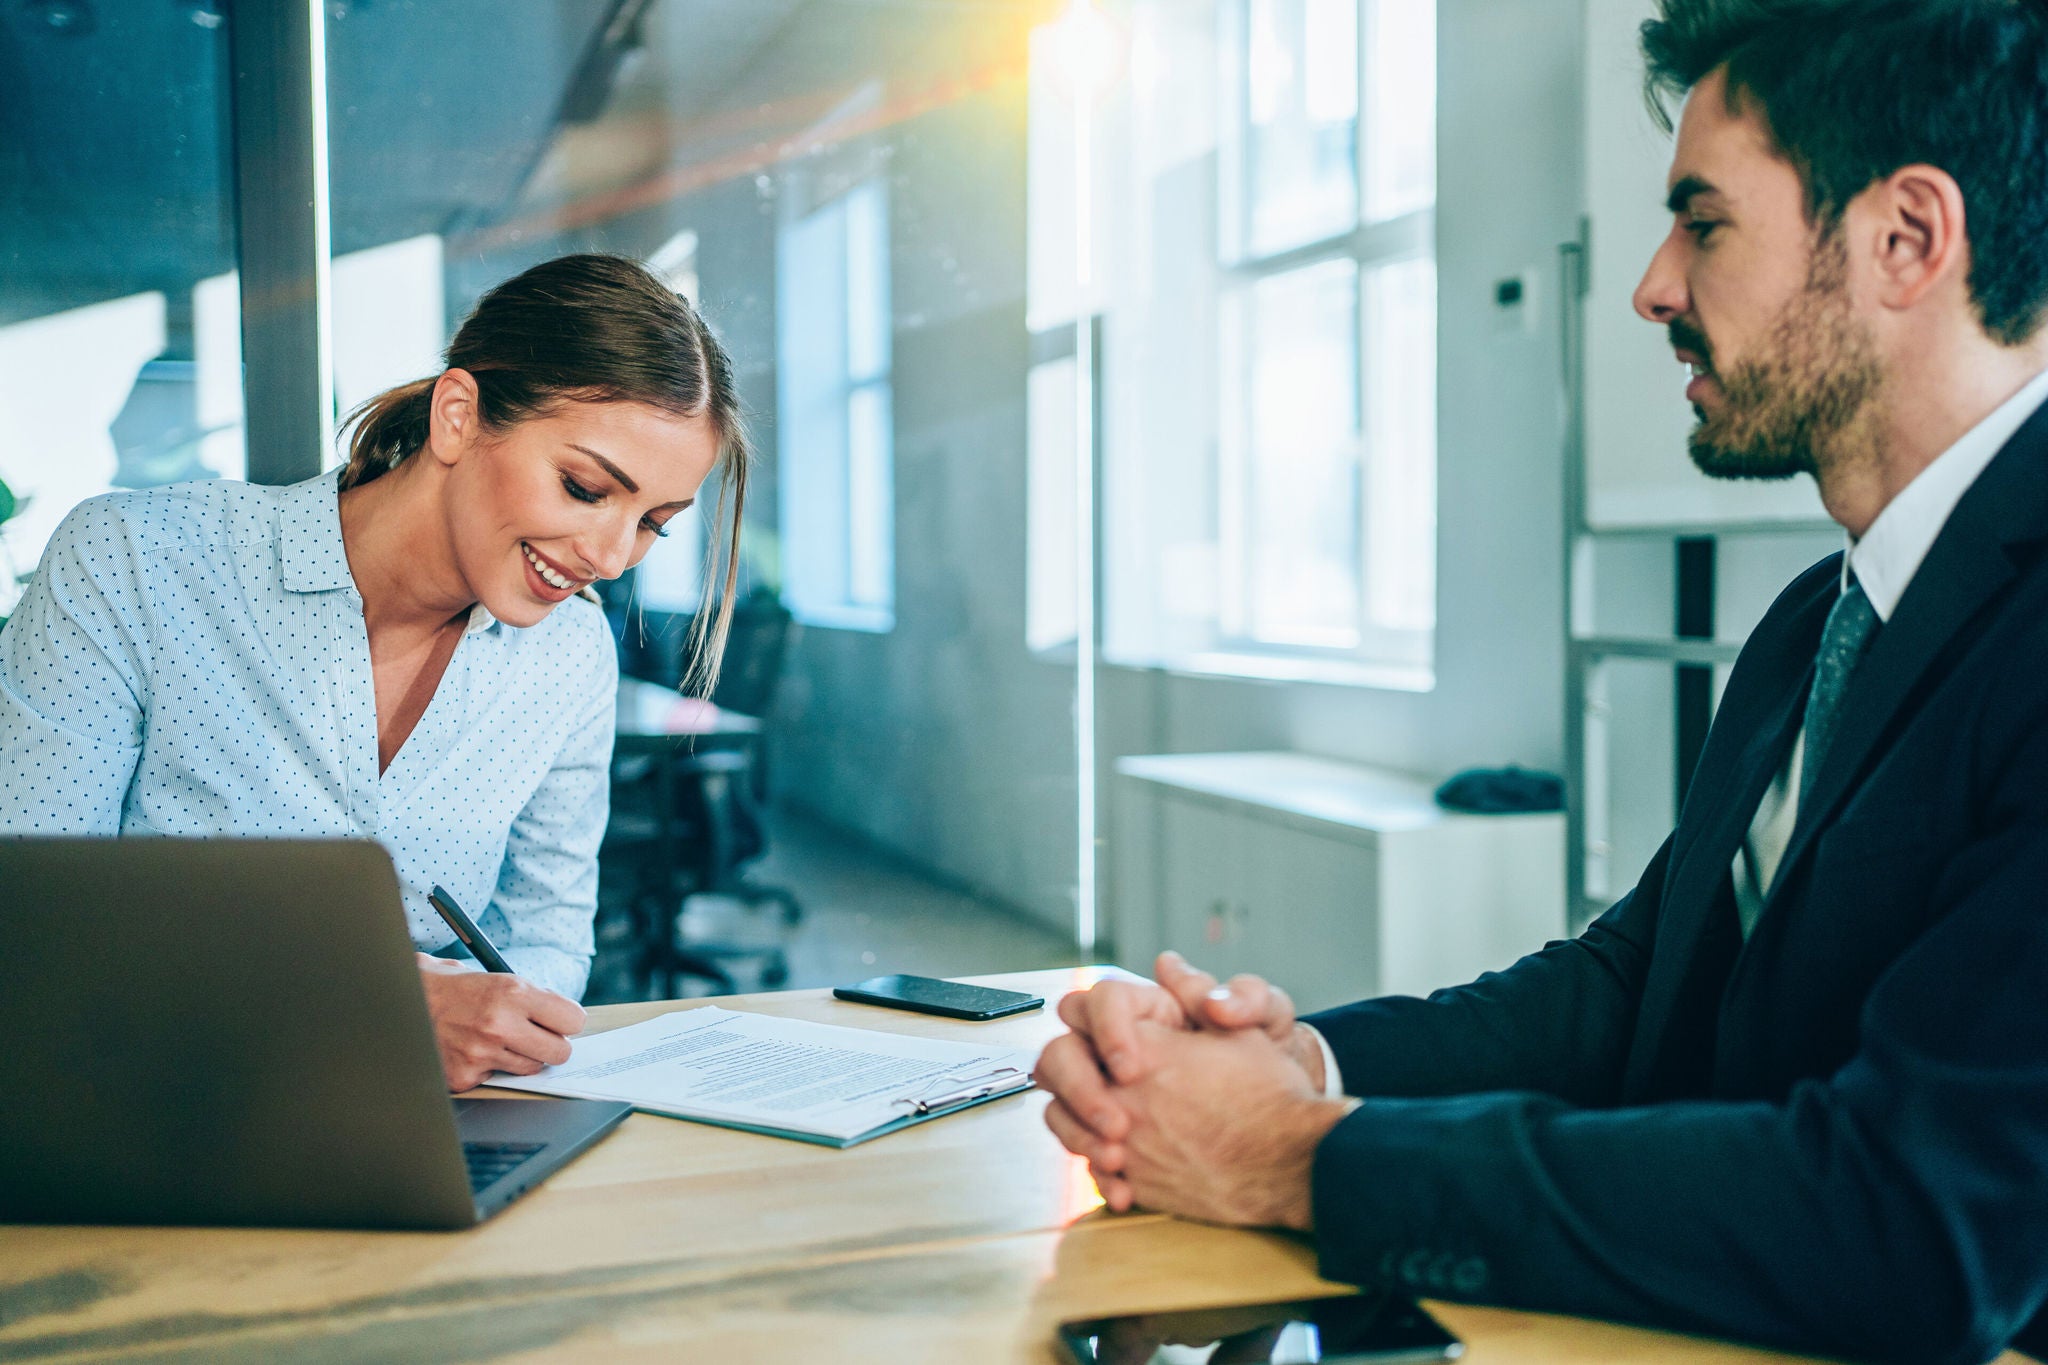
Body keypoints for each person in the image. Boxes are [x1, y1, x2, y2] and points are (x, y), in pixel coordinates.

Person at [1035, 2, 2048, 1361]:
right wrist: (1302, 1070)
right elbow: (1638, 989)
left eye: (1704, 222)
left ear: (1906, 239)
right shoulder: (1825, 614)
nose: (1652, 285)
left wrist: (1293, 1158)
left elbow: (1916, 1224)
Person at [0, 253, 749, 1093]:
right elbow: (30, 924)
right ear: (459, 416)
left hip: (432, 1119)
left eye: (654, 522)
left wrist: (502, 1018)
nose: (613, 557)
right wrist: (373, 1008)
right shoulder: (135, 562)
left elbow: (545, 936)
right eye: (583, 488)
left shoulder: (570, 657)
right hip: (149, 1103)